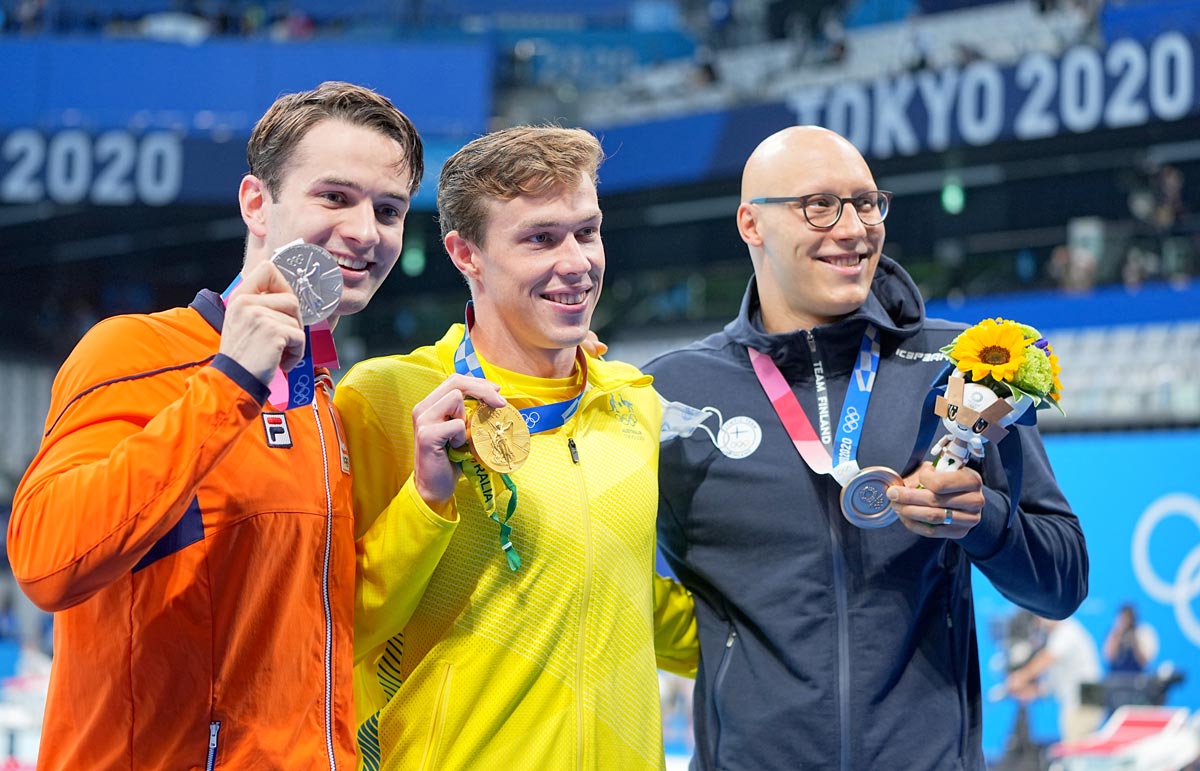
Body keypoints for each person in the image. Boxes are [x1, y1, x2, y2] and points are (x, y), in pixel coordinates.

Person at [644, 125, 1089, 770]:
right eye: (818, 205)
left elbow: (1063, 582)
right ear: (751, 223)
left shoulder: (968, 365)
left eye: (867, 202)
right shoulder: (676, 393)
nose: (852, 228)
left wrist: (982, 519)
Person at [7, 81, 423, 769]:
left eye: (389, 209)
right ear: (256, 203)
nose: (365, 231)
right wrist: (229, 381)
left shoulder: (323, 403)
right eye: (335, 197)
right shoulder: (133, 351)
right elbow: (48, 563)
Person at [334, 125, 697, 771]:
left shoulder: (633, 401)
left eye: (587, 231)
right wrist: (424, 501)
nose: (577, 261)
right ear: (465, 253)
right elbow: (337, 633)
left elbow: (636, 600)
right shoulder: (386, 400)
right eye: (540, 238)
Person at [1005, 616, 1104, 742]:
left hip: (1086, 701)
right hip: (1079, 701)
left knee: (1076, 747)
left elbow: (1047, 658)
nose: (1039, 625)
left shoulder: (1067, 631)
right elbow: (1053, 682)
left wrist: (1020, 677)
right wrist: (1032, 691)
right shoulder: (1057, 637)